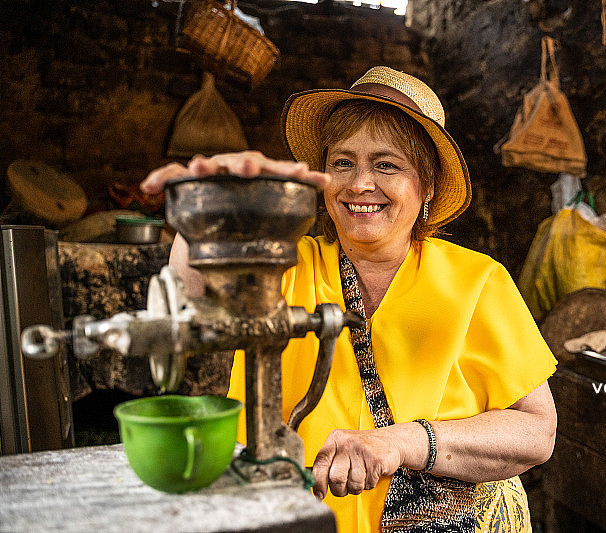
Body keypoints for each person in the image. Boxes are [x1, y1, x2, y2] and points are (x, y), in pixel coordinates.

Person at [141, 66, 558, 533]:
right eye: (342, 163)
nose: (359, 184)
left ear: (428, 186)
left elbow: (536, 433)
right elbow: (186, 294)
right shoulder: (282, 267)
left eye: (387, 165)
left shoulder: (477, 280)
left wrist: (405, 442)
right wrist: (213, 200)